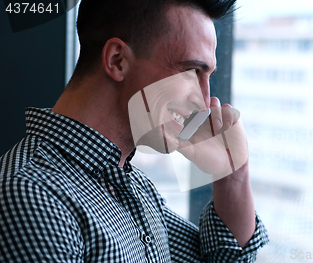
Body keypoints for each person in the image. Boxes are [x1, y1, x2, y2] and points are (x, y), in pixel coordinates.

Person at [0, 0, 269, 262]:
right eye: (190, 71)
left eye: (207, 76)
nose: (204, 100)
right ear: (117, 60)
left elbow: (223, 257)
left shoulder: (134, 187)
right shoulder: (31, 195)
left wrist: (232, 176)